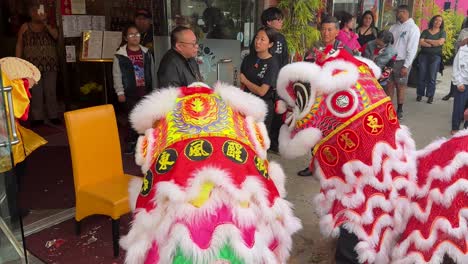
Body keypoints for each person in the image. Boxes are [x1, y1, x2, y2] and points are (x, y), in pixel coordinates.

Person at [299, 16, 351, 177]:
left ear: (337, 31)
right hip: (316, 98)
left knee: (334, 135)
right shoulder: (315, 49)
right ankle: (313, 165)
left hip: (335, 100)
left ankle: (336, 167)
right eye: (323, 29)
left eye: (330, 29)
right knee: (315, 132)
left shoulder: (343, 51)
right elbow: (306, 70)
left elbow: (350, 75)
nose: (326, 33)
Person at [15, 3, 60, 127]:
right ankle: (37, 117)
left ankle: (53, 115)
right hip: (32, 66)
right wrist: (18, 61)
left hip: (50, 64)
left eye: (38, 11)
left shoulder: (49, 25)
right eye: (33, 11)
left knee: (50, 90)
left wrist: (45, 22)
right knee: (36, 92)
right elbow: (19, 44)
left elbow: (56, 36)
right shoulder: (25, 26)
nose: (36, 13)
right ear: (30, 13)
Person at [113, 24, 155, 154]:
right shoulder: (120, 55)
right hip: (130, 92)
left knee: (146, 118)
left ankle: (144, 144)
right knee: (132, 118)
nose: (135, 37)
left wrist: (154, 90)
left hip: (145, 90)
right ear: (125, 38)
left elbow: (152, 72)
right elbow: (117, 75)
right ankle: (131, 143)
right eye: (131, 34)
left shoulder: (146, 53)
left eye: (137, 34)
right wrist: (120, 92)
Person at [240, 27, 279, 134]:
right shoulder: (248, 59)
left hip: (262, 108)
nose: (258, 42)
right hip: (246, 105)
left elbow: (262, 91)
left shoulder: (272, 63)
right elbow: (240, 83)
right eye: (257, 38)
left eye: (262, 39)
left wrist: (245, 81)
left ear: (270, 44)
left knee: (259, 140)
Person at [261, 7, 289, 154]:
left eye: (280, 19)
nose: (281, 22)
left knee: (278, 113)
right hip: (264, 80)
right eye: (278, 19)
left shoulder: (281, 39)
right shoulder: (261, 36)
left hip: (278, 80)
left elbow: (285, 60)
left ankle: (275, 143)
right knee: (265, 113)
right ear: (268, 22)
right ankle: (261, 143)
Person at [387, 5, 420, 120]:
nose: (397, 14)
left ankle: (399, 109)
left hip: (402, 62)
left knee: (400, 86)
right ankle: (388, 108)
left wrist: (406, 65)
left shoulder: (413, 28)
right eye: (397, 12)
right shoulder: (394, 27)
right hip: (390, 60)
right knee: (389, 85)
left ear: (405, 12)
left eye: (399, 12)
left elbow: (412, 49)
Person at [416, 15, 445, 104]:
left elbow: (440, 42)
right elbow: (421, 42)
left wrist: (428, 41)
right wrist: (433, 44)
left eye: (440, 21)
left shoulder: (442, 32)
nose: (437, 22)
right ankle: (420, 94)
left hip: (436, 57)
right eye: (436, 20)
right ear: (432, 21)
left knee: (432, 77)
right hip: (424, 56)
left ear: (441, 23)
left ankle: (430, 95)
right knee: (422, 75)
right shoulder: (425, 31)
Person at [442, 17, 468, 101]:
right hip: (461, 54)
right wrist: (457, 54)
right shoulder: (465, 25)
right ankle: (451, 93)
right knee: (457, 75)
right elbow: (459, 42)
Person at [451, 44, 468, 135]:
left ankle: (466, 129)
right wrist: (458, 83)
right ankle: (455, 127)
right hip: (463, 84)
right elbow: (456, 68)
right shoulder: (462, 51)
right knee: (459, 107)